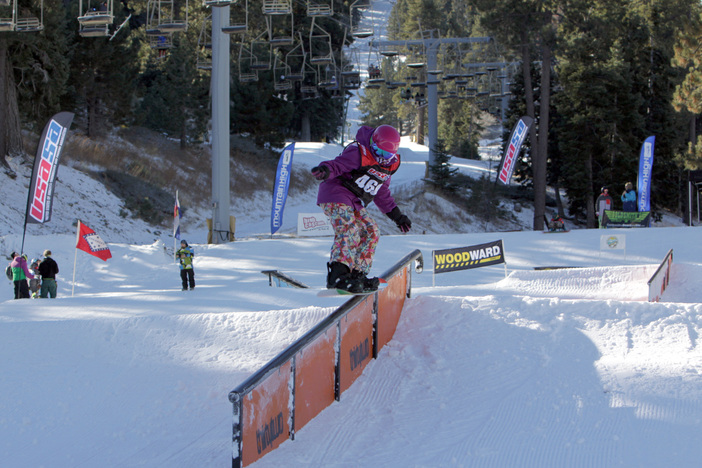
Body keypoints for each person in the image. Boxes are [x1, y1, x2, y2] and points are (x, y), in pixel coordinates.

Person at [311, 124, 411, 293]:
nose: (382, 158)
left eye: (387, 155)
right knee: (349, 229)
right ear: (372, 144)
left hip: (354, 201)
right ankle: (338, 276)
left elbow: (381, 192)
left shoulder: (388, 166)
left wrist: (397, 216)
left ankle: (357, 275)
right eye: (378, 152)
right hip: (335, 193)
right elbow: (338, 165)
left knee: (371, 231)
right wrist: (325, 170)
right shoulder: (359, 152)